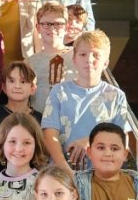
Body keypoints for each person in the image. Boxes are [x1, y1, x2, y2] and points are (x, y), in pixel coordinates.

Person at [42, 30, 130, 176]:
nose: (89, 59)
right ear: (74, 59)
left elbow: (121, 137)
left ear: (105, 63)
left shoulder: (116, 96)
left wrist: (90, 140)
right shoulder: (58, 92)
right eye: (83, 54)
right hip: (62, 173)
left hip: (101, 175)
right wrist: (64, 168)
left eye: (96, 55)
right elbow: (50, 134)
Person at [28, 1, 78, 111]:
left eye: (58, 24)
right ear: (38, 27)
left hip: (71, 116)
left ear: (66, 27)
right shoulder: (31, 62)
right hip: (40, 117)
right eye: (46, 24)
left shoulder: (77, 56)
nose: (52, 28)